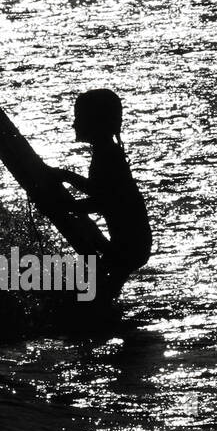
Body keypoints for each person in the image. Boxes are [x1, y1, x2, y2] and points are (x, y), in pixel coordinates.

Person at [52, 89, 152, 301]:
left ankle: (97, 317)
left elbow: (102, 201)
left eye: (79, 118)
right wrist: (65, 176)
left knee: (101, 289)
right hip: (133, 243)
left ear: (95, 121)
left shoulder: (107, 154)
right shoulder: (106, 151)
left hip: (129, 245)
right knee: (105, 287)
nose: (74, 124)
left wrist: (65, 205)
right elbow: (98, 191)